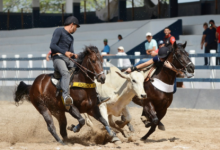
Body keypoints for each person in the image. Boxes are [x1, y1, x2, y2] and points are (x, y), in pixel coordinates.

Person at [50, 16, 109, 110]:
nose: (76, 29)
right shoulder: (59, 31)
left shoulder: (71, 38)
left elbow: (71, 52)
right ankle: (66, 97)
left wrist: (75, 56)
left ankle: (97, 96)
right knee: (65, 73)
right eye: (76, 27)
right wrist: (65, 53)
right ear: (72, 24)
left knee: (85, 69)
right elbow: (52, 45)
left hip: (68, 59)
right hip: (58, 58)